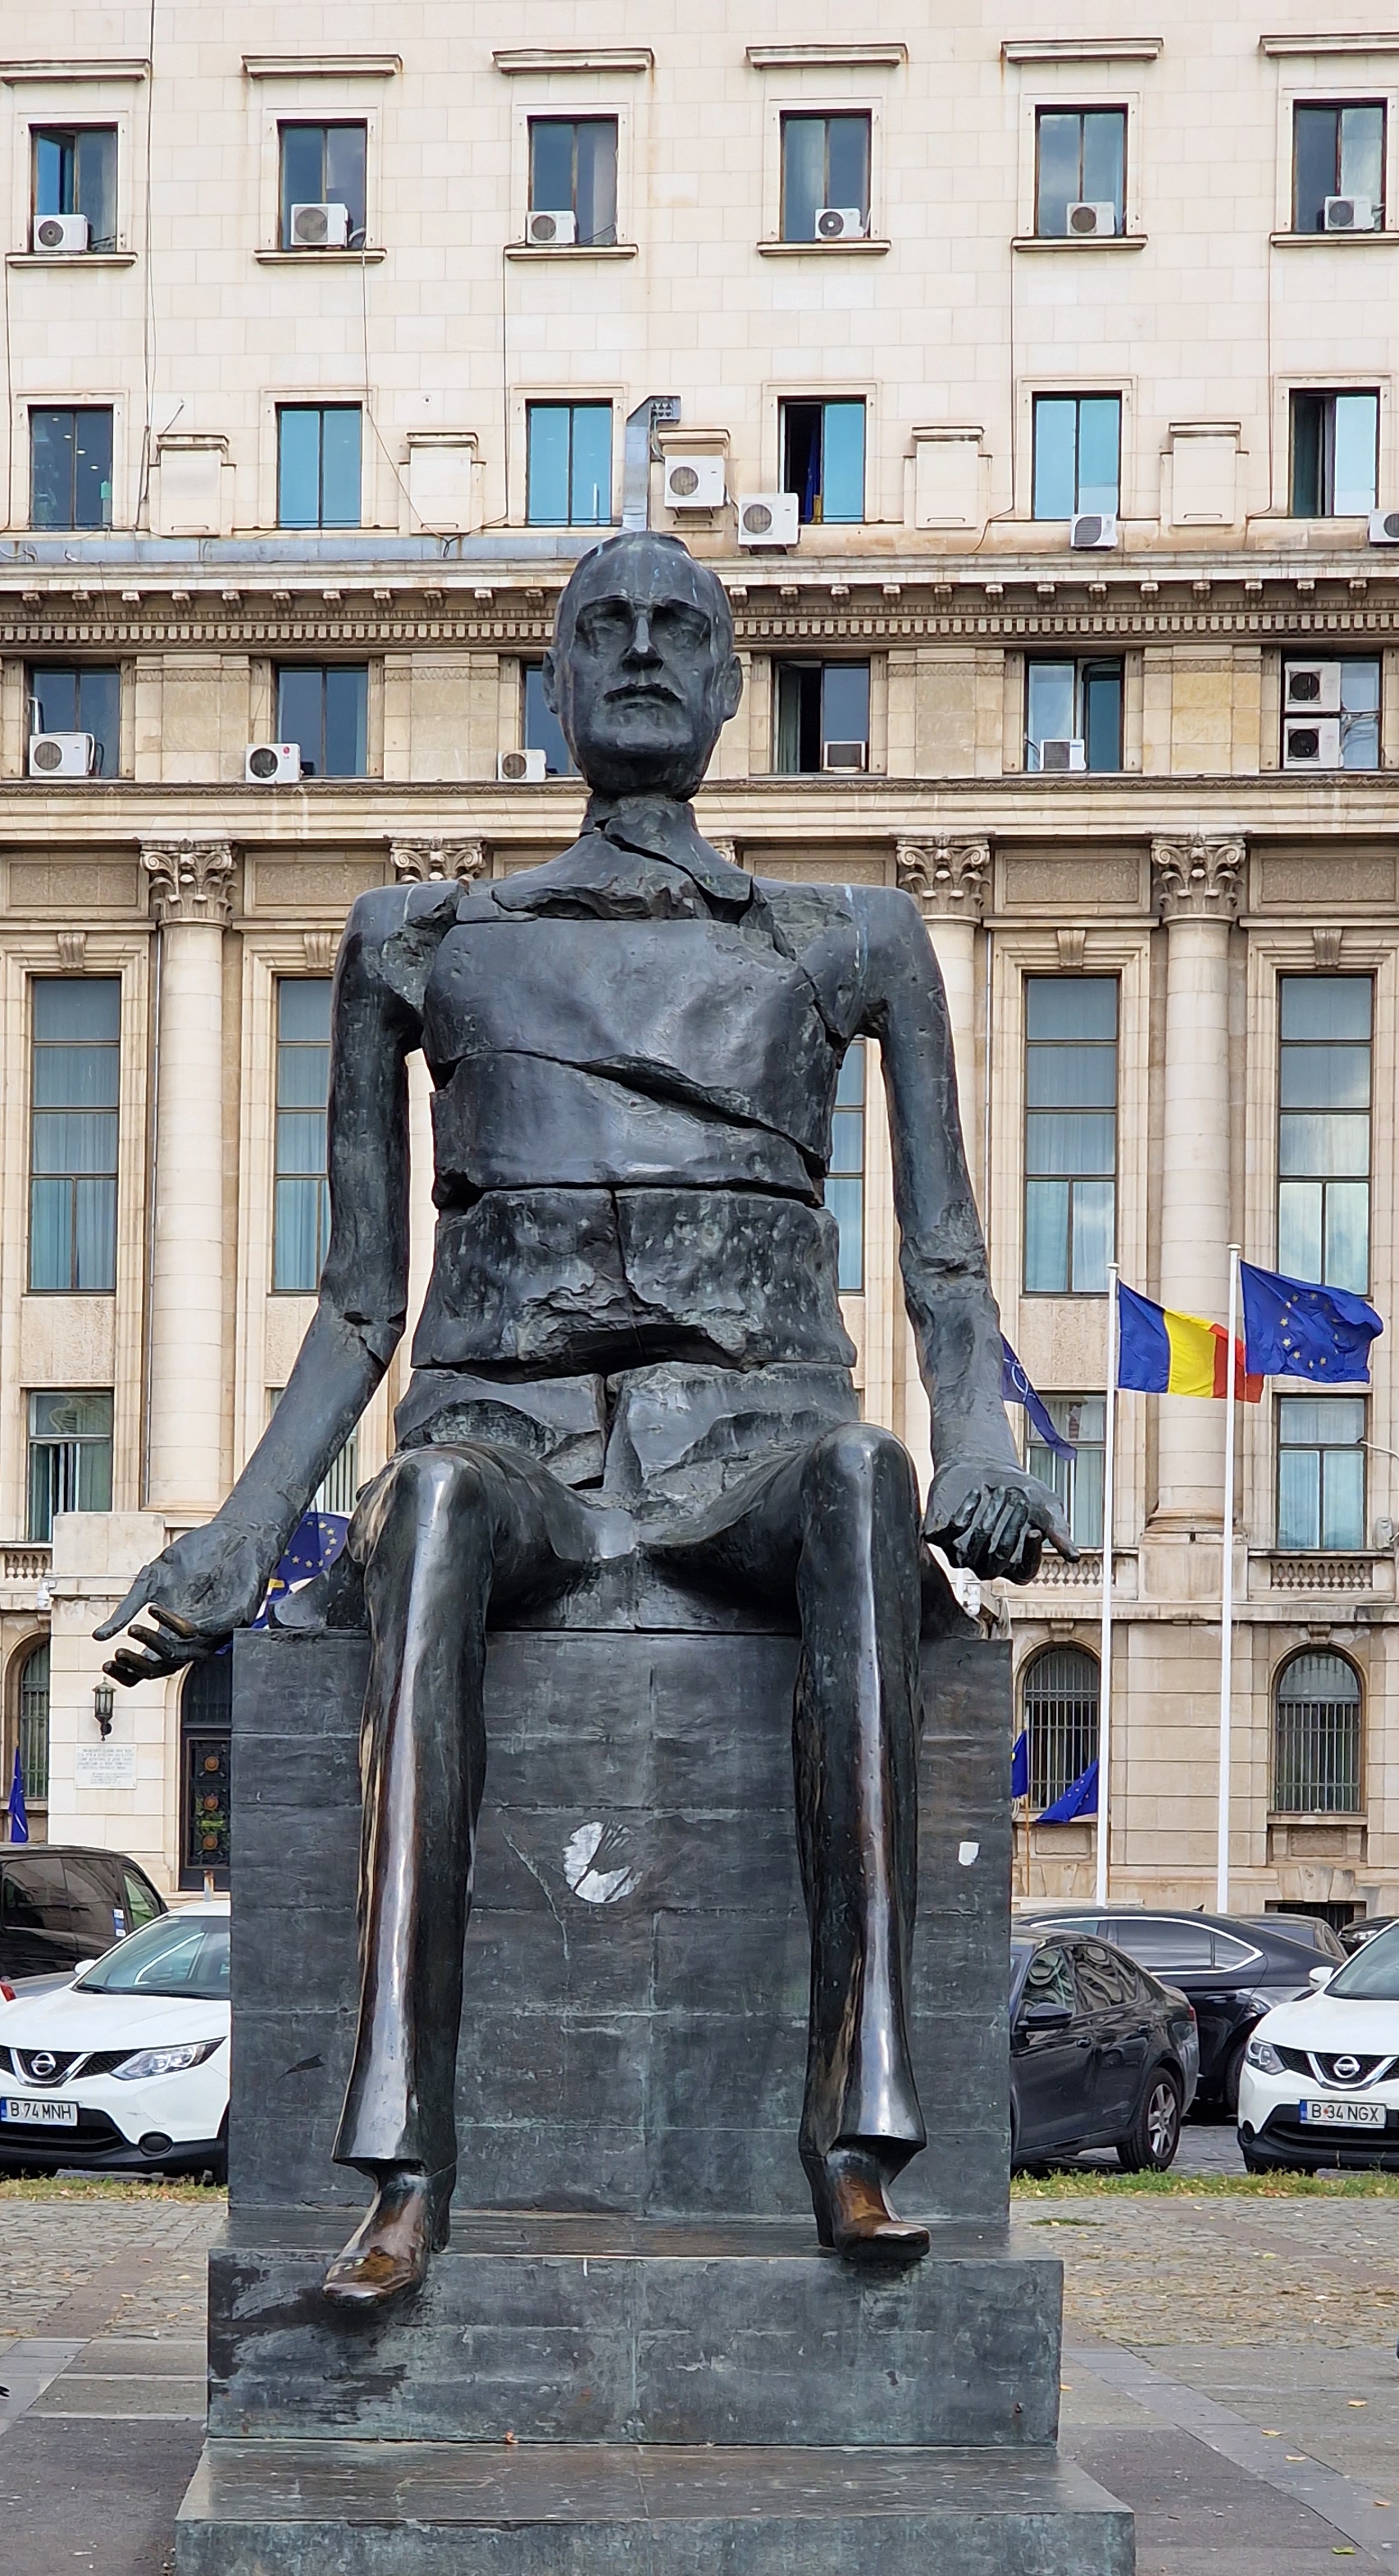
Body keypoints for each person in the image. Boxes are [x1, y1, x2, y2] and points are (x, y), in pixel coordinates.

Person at [100, 529, 1067, 2305]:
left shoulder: (852, 937)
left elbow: (944, 1260)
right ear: (550, 685)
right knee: (429, 1511)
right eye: (600, 627)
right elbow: (361, 1298)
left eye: (675, 629)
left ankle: (856, 2135)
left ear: (729, 686)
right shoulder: (420, 940)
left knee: (863, 1481)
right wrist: (241, 1535)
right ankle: (403, 2170)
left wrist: (980, 1445)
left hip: (753, 1444)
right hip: (512, 1442)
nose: (637, 651)